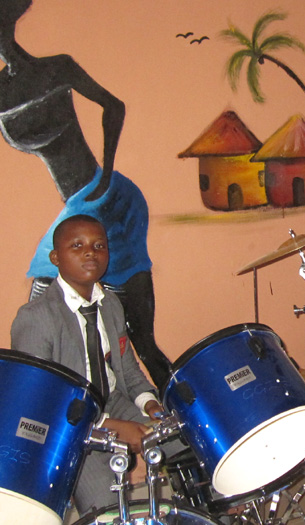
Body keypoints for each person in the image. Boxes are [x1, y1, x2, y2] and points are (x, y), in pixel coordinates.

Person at [0, 0, 171, 389]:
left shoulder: (56, 68)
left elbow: (114, 106)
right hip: (79, 206)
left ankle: (187, 420)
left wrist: (107, 172)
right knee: (43, 322)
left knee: (142, 342)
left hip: (109, 199)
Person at [11, 215, 164, 516]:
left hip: (113, 401)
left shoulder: (111, 304)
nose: (90, 253)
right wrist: (110, 427)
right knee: (107, 508)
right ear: (56, 257)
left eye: (98, 246)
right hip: (68, 425)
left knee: (186, 444)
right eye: (77, 246)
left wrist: (150, 404)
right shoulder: (36, 317)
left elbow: (128, 370)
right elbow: (40, 404)